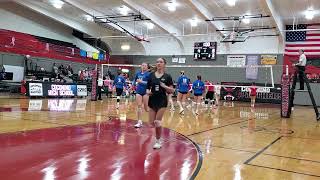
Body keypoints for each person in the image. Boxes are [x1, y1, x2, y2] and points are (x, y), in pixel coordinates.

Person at [147, 58, 174, 149]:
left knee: (157, 122)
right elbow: (147, 87)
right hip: (152, 100)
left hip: (162, 100)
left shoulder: (168, 76)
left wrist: (165, 86)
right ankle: (158, 134)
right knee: (151, 123)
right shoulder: (151, 75)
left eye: (161, 62)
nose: (158, 63)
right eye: (157, 61)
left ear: (164, 64)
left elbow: (172, 90)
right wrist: (148, 92)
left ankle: (158, 141)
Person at [134, 62, 151, 128]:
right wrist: (131, 86)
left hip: (146, 92)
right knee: (139, 106)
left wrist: (141, 82)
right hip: (138, 91)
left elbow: (150, 83)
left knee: (146, 108)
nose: (143, 66)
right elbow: (134, 80)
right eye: (142, 65)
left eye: (145, 65)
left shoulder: (149, 74)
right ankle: (139, 122)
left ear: (147, 67)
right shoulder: (138, 73)